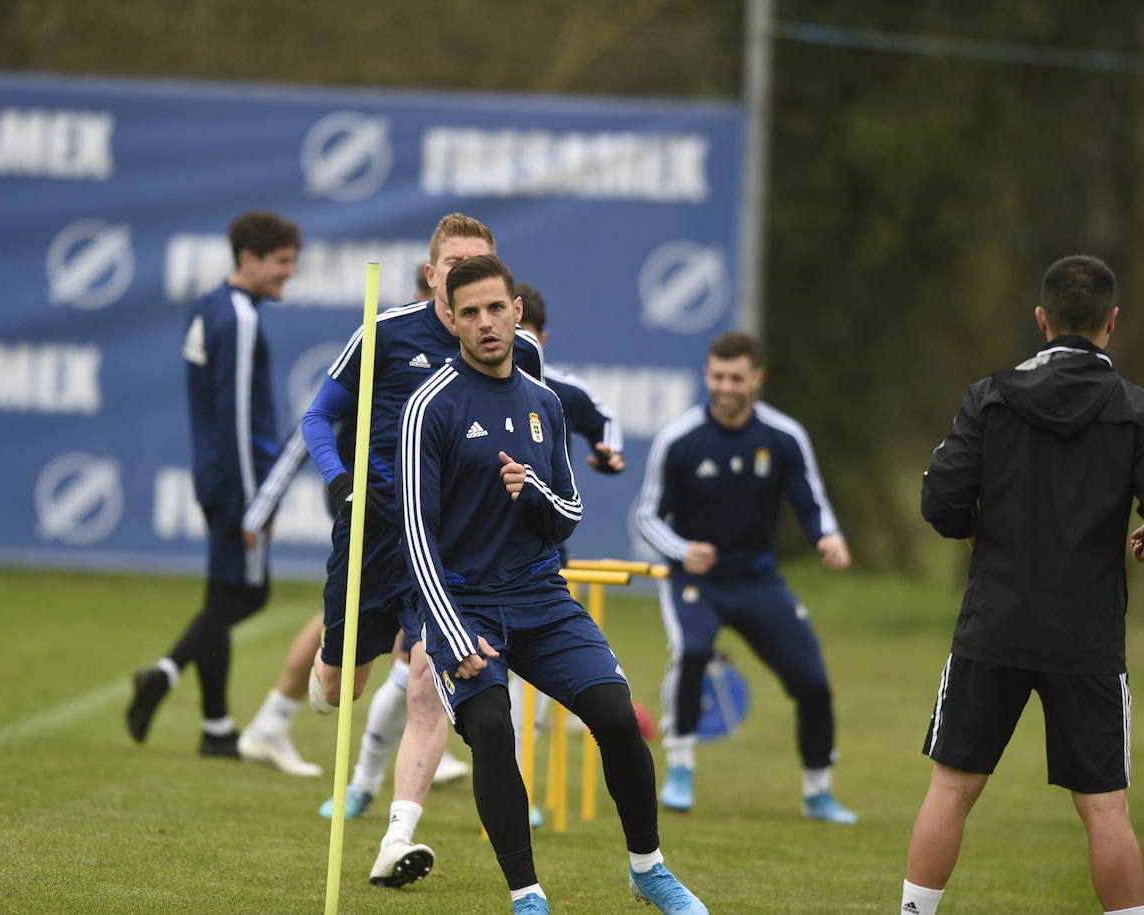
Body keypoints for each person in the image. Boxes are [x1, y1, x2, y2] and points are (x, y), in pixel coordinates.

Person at [401, 253, 706, 914]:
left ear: (518, 311)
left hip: (542, 598)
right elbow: (415, 538)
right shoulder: (428, 407)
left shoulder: (544, 401)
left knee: (619, 718)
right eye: (471, 311)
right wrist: (451, 631)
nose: (486, 323)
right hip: (466, 604)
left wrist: (534, 489)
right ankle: (528, 895)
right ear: (450, 318)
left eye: (496, 308)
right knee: (491, 727)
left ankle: (648, 869)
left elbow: (569, 513)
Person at [301, 213, 541, 888]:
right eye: (454, 265)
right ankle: (329, 656)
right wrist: (343, 480)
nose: (466, 277)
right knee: (339, 686)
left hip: (445, 544)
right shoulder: (385, 332)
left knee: (427, 682)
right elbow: (318, 417)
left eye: (480, 264)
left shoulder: (508, 345)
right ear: (432, 272)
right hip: (374, 532)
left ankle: (396, 837)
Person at [901, 255, 1144, 915]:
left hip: (995, 622)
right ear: (1111, 323)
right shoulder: (1132, 409)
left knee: (951, 789)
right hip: (1087, 635)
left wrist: (989, 530)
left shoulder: (992, 394)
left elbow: (942, 503)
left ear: (1042, 320)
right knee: (1104, 806)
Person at [637, 330, 855, 823]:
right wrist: (681, 549)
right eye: (717, 376)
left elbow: (810, 498)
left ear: (757, 378)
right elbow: (646, 515)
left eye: (736, 378)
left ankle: (818, 791)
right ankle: (682, 769)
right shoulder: (680, 439)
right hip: (696, 581)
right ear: (707, 375)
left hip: (758, 579)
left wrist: (828, 536)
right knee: (692, 652)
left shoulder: (783, 436)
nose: (726, 386)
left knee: (813, 681)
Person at [125, 210, 299, 758]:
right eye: (281, 262)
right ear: (248, 259)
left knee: (224, 595)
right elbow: (236, 416)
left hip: (215, 476)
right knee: (246, 595)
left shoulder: (207, 307)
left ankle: (216, 727)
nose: (288, 274)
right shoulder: (241, 317)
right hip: (238, 483)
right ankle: (164, 673)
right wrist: (255, 505)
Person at [514, 282, 624, 475]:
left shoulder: (564, 391)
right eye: (514, 338)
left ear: (543, 340)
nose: (520, 348)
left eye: (528, 339)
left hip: (550, 503)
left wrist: (609, 452)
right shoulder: (464, 385)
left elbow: (604, 419)